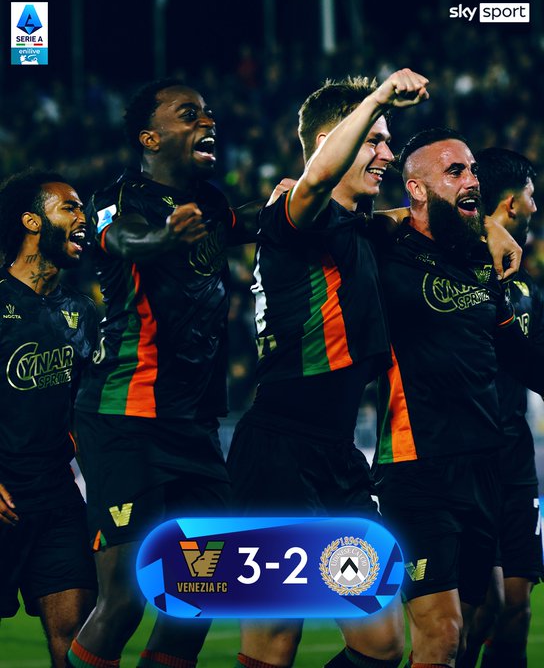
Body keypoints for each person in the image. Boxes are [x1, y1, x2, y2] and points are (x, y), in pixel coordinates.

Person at [226, 70, 431, 668]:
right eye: (375, 140)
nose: (387, 155)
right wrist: (378, 96)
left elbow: (412, 219)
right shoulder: (295, 213)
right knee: (274, 639)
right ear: (330, 142)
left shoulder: (359, 227)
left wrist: (492, 228)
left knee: (383, 643)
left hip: (338, 459)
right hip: (279, 451)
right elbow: (316, 180)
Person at [68, 78, 265, 668]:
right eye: (189, 113)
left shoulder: (211, 203)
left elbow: (253, 221)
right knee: (125, 599)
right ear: (150, 138)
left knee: (199, 597)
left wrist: (307, 192)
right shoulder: (117, 197)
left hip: (195, 424)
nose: (207, 120)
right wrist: (164, 235)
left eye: (208, 111)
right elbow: (123, 239)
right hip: (126, 417)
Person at [372, 129, 543, 668]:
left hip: (484, 469)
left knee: (471, 628)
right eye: (455, 171)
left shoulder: (480, 263)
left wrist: (487, 230)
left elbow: (520, 358)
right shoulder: (385, 249)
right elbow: (339, 220)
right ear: (416, 189)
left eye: (472, 170)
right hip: (417, 467)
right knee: (442, 634)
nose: (472, 179)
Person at [0, 169, 97, 668]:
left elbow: (85, 407)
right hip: (4, 493)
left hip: (57, 497)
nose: (84, 217)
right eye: (70, 207)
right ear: (31, 221)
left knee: (76, 641)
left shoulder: (82, 310)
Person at [459, 148, 543, 668]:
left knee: (517, 610)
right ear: (512, 203)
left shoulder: (526, 286)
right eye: (532, 196)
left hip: (515, 459)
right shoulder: (456, 270)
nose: (536, 206)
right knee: (476, 613)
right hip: (468, 457)